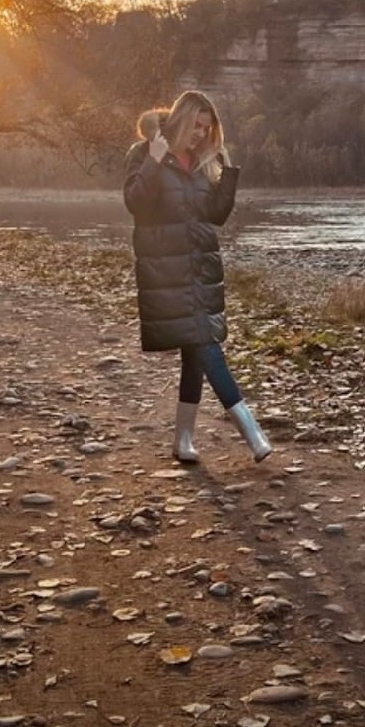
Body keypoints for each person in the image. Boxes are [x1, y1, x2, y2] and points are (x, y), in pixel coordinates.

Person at [123, 89, 272, 463]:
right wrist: (155, 162)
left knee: (195, 352)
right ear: (182, 118)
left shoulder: (202, 161)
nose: (201, 135)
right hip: (166, 271)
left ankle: (183, 440)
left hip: (200, 269)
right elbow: (136, 204)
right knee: (206, 346)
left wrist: (227, 171)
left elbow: (216, 215)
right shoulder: (144, 153)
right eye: (197, 126)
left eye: (207, 129)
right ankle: (252, 432)